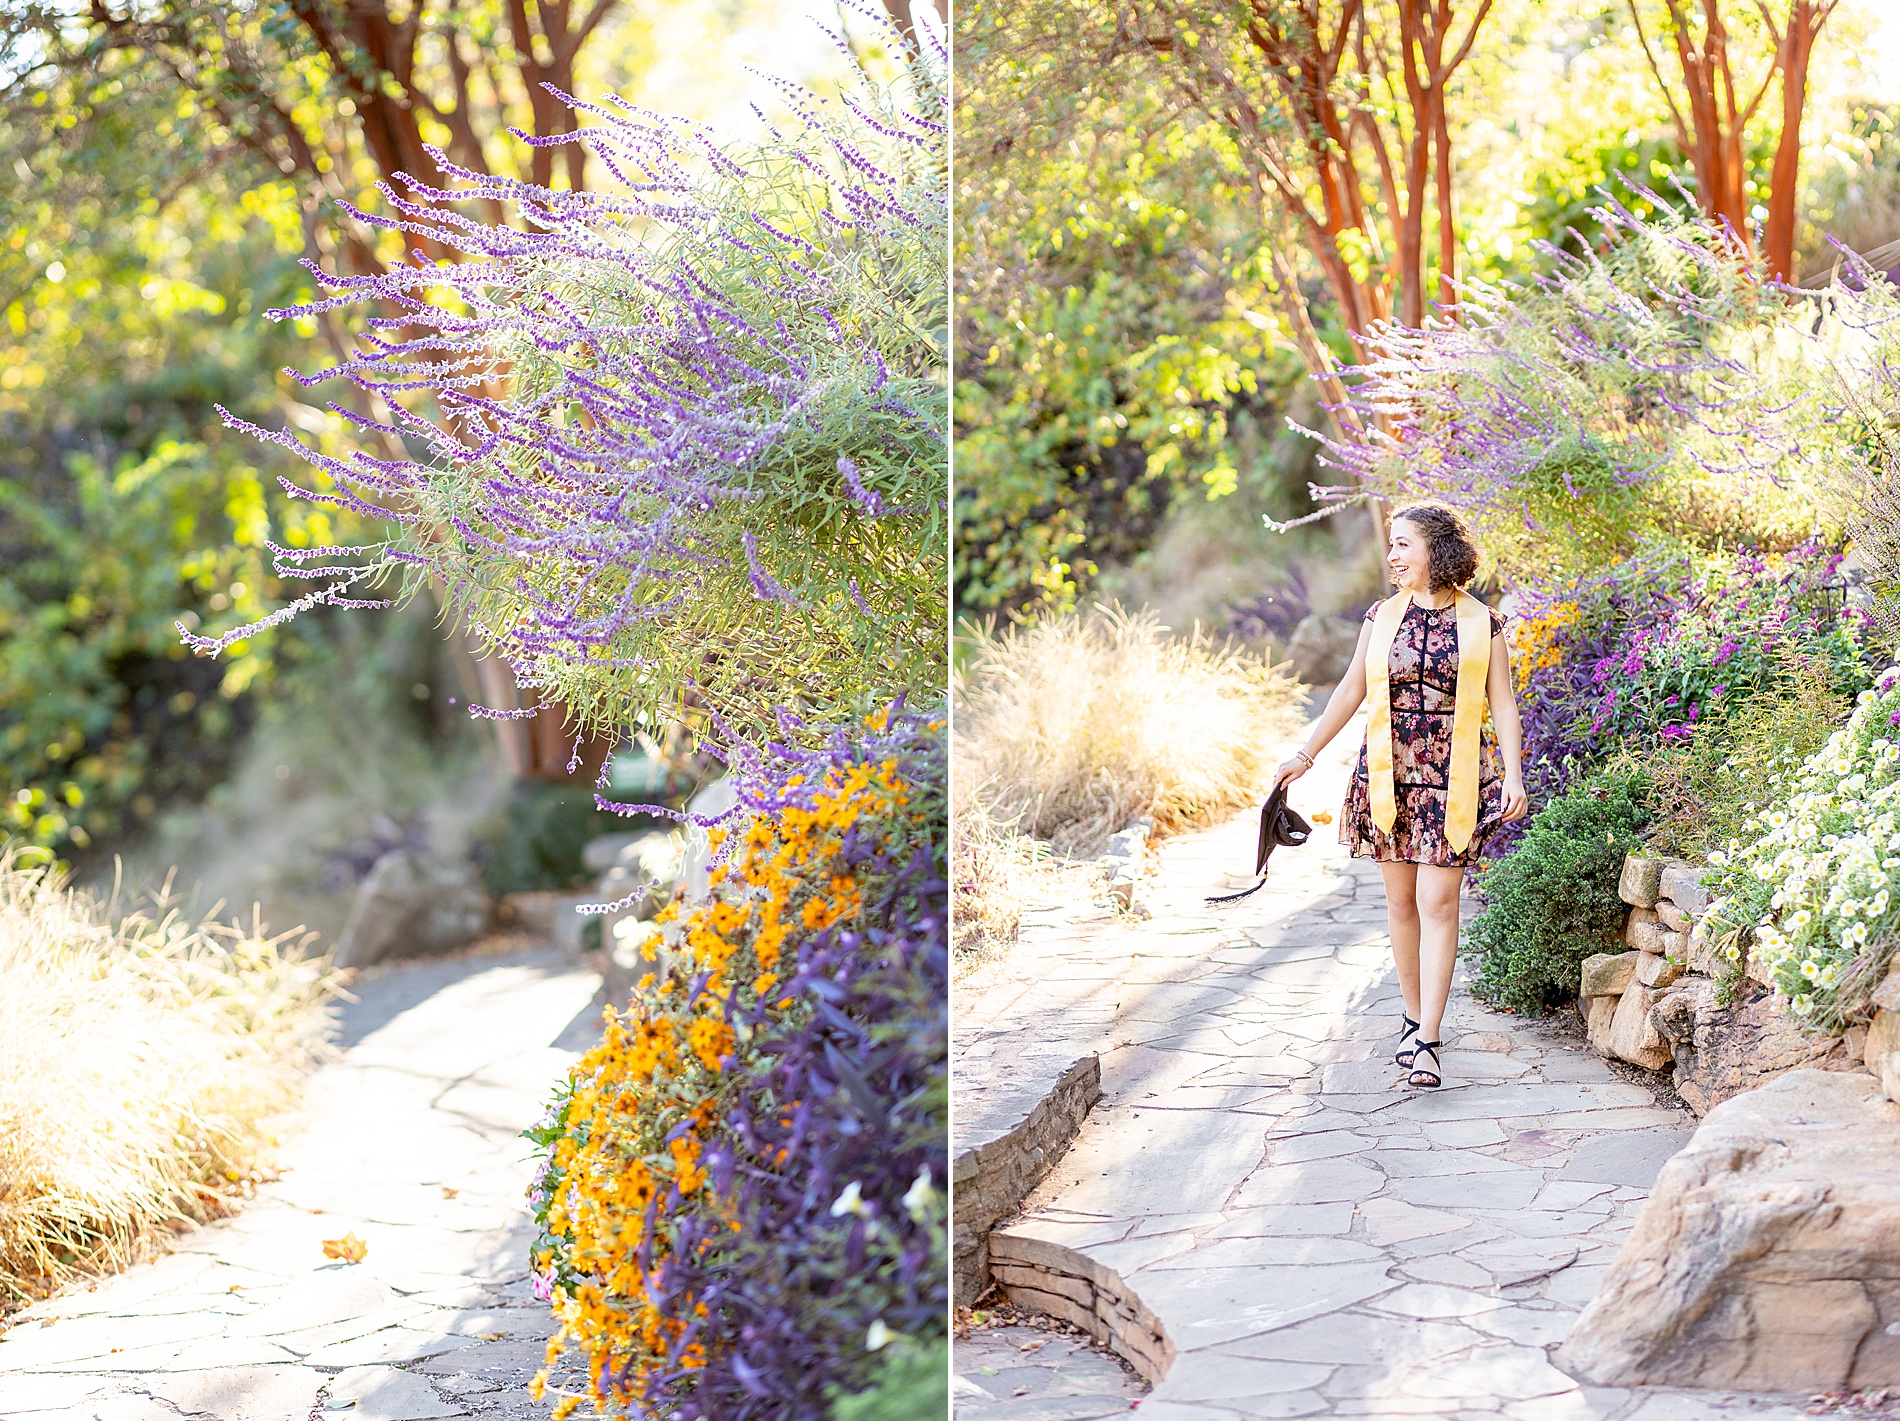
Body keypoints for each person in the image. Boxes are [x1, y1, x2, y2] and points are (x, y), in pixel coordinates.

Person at [1272, 501, 1529, 1089]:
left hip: (1453, 773)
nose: (1392, 555)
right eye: (1390, 544)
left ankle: (1430, 1040)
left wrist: (1512, 775)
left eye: (1403, 543)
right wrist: (1306, 756)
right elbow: (1350, 688)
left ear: (1436, 550)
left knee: (1440, 903)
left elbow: (1504, 703)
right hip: (1389, 771)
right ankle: (1412, 1019)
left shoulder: (1482, 623)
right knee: (1401, 904)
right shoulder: (1380, 617)